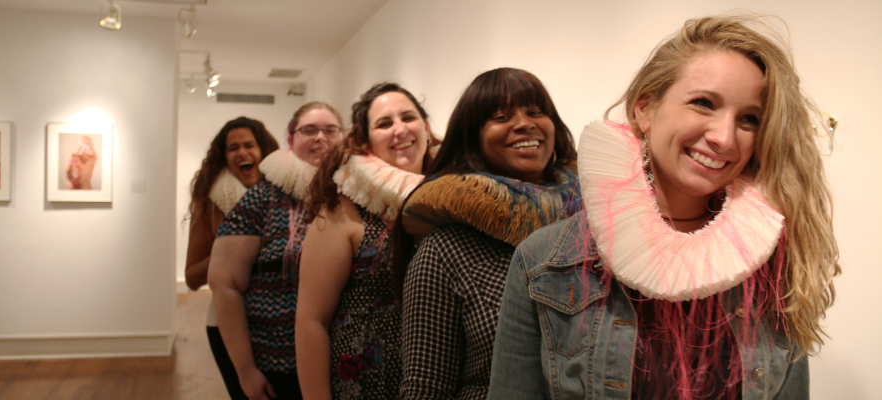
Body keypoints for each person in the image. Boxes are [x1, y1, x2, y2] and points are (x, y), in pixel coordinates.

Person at [488, 15, 840, 400]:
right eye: (703, 103)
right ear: (645, 108)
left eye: (749, 119)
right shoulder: (544, 262)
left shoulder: (774, 261)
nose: (724, 137)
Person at [392, 68, 580, 400]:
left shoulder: (594, 226)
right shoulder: (445, 250)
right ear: (472, 137)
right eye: (501, 116)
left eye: (536, 112)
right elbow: (425, 387)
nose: (524, 123)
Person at [295, 83, 436, 400]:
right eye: (384, 124)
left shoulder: (455, 197)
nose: (400, 130)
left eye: (408, 118)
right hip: (367, 385)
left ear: (426, 128)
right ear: (365, 140)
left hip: (439, 379)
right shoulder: (343, 207)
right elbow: (311, 320)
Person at [207, 103, 343, 400]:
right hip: (277, 364)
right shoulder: (263, 198)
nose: (320, 138)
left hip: (346, 365)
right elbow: (224, 284)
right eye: (309, 130)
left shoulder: (358, 196)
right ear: (291, 140)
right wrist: (245, 370)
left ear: (343, 139)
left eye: (330, 130)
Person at [184, 116, 280, 400]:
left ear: (264, 152)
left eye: (250, 145)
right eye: (233, 147)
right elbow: (191, 278)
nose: (242, 152)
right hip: (226, 322)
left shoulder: (285, 198)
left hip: (279, 321)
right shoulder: (211, 204)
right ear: (223, 158)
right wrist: (230, 245)